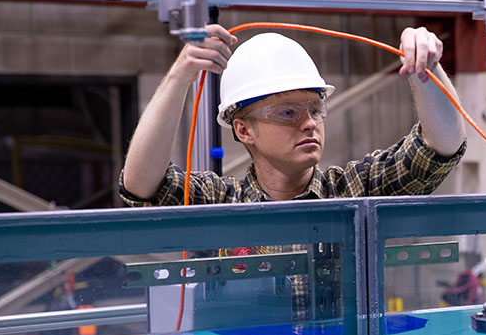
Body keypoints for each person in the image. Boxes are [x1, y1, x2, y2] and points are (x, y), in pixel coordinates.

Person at [120, 25, 466, 207]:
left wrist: (427, 68)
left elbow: (440, 149)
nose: (309, 122)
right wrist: (180, 75)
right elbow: (141, 187)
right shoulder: (220, 204)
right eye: (288, 112)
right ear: (243, 130)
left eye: (315, 110)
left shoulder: (353, 192)